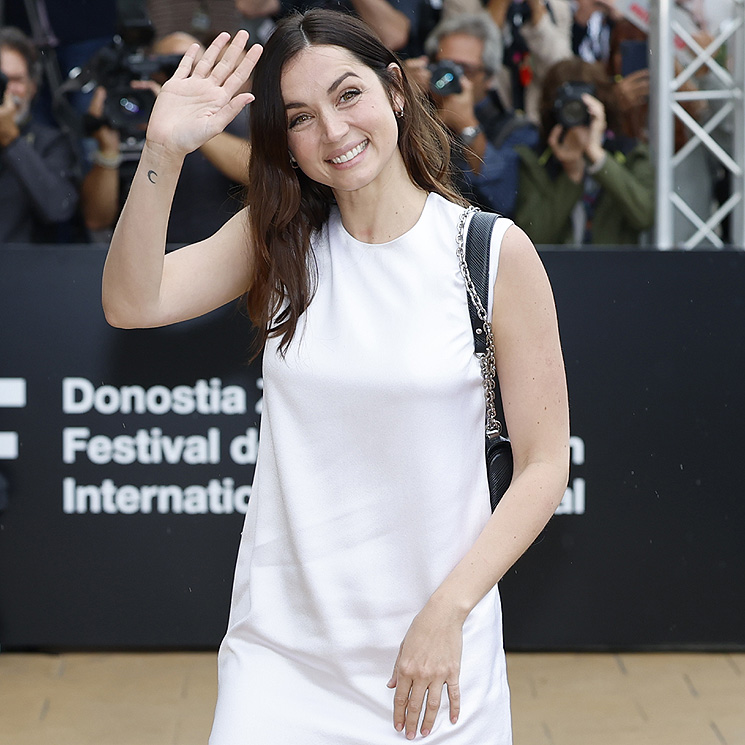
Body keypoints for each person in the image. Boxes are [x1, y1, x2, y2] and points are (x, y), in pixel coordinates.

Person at [102, 9, 570, 742]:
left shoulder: (487, 253)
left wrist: (448, 609)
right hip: (280, 658)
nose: (333, 131)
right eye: (300, 117)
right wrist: (162, 150)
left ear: (394, 90)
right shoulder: (278, 236)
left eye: (347, 95)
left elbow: (543, 465)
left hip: (435, 656)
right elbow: (132, 302)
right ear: (283, 141)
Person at [80, 31, 250, 244]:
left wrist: (191, 125)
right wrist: (107, 148)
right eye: (170, 68)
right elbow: (96, 220)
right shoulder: (124, 115)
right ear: (150, 71)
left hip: (218, 255)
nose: (182, 76)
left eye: (193, 66)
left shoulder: (229, 117)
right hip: (149, 259)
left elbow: (258, 172)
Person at [406, 12, 538, 216]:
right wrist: (400, 95)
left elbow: (503, 199)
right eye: (444, 66)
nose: (450, 78)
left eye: (464, 69)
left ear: (488, 77)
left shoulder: (514, 128)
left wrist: (468, 126)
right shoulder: (409, 108)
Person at [515, 56, 654, 245]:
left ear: (600, 104)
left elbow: (644, 215)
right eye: (568, 104)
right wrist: (572, 173)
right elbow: (531, 237)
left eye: (583, 104)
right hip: (558, 271)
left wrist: (598, 157)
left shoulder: (629, 153)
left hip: (615, 271)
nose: (576, 111)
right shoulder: (534, 160)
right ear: (552, 108)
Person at [0, 26, 79, 243]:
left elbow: (59, 208)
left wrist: (12, 141)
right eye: (0, 80)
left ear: (32, 87)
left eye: (15, 80)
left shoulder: (52, 142)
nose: (6, 90)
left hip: (24, 271)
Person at [486, 0, 573, 122]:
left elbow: (561, 70)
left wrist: (538, 18)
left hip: (535, 115)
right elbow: (475, 61)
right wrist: (496, 11)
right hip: (491, 109)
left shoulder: (557, 8)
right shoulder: (468, 4)